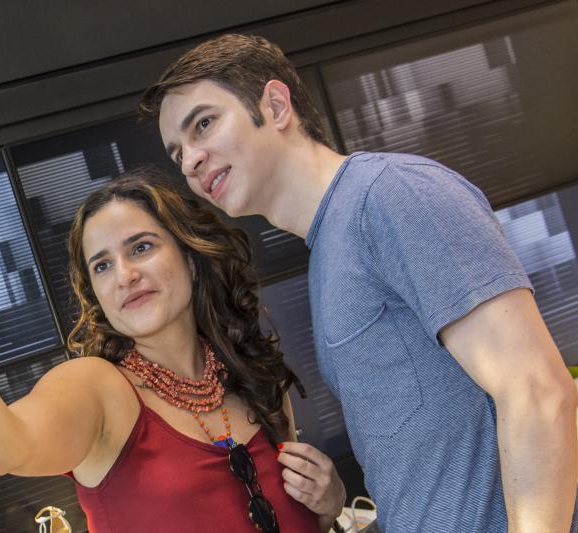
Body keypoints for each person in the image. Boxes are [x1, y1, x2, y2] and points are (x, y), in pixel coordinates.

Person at [140, 33, 578, 532]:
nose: (190, 161)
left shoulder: (390, 193)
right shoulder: (329, 250)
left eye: (203, 124)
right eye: (177, 154)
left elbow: (536, 391)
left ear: (276, 106)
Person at [0, 166, 346, 532]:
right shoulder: (97, 388)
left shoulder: (250, 375)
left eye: (141, 247)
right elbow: (4, 448)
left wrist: (329, 505)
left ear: (189, 257)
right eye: (102, 265)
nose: (124, 275)